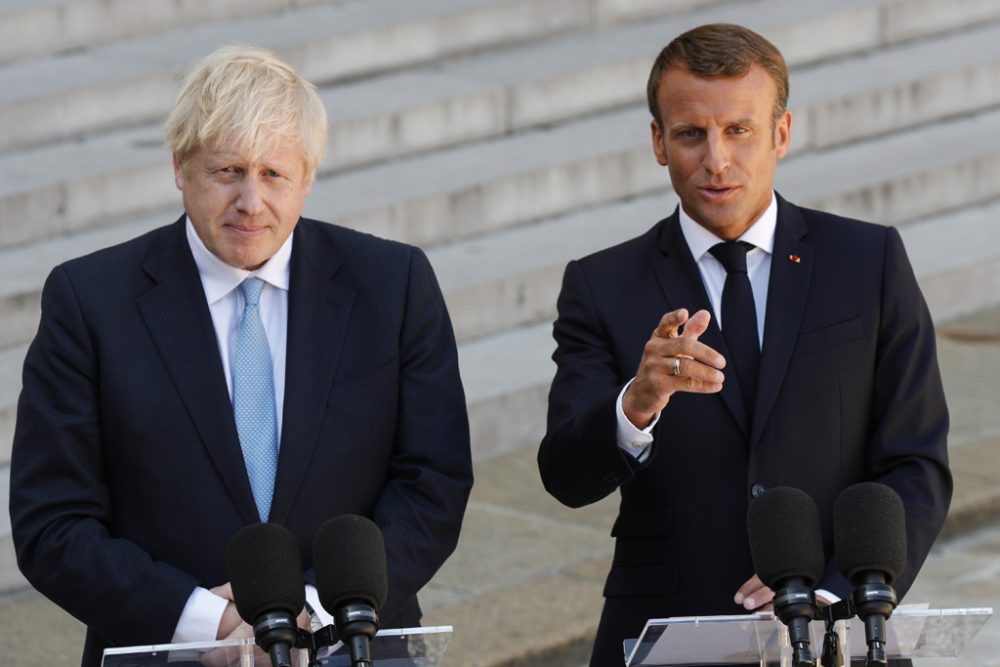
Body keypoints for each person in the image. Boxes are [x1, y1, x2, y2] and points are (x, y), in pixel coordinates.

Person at [10, 45, 473, 666]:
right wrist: (211, 623)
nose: (251, 202)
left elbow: (433, 481)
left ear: (307, 178)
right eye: (227, 171)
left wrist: (313, 613)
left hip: (354, 649)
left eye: (274, 174)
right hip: (167, 652)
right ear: (180, 166)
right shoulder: (89, 302)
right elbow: (53, 524)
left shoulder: (393, 285)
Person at [537, 23, 951, 666]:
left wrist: (835, 590)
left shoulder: (868, 261)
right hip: (665, 631)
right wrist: (637, 402)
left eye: (739, 130)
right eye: (690, 133)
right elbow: (564, 474)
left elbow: (917, 462)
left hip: (838, 630)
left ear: (781, 133)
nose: (717, 160)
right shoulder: (600, 284)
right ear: (658, 141)